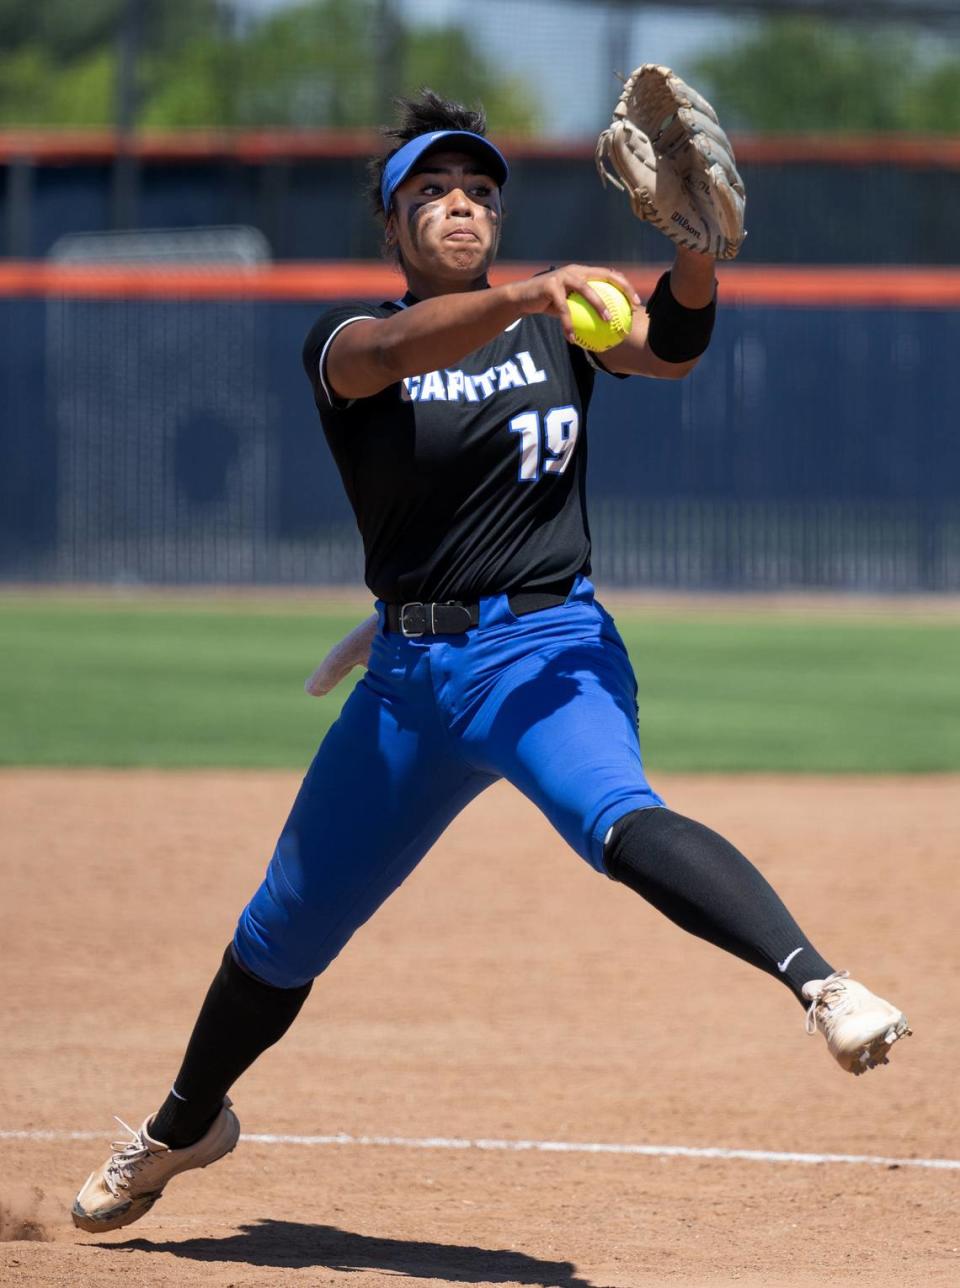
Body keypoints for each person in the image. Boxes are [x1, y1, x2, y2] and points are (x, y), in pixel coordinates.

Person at [72, 88, 909, 1236]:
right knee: (282, 931)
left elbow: (668, 350)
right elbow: (398, 349)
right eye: (434, 192)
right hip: (411, 686)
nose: (461, 206)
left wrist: (697, 261)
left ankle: (821, 981)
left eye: (478, 192)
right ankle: (182, 1125)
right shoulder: (345, 339)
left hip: (546, 647)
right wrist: (533, 295)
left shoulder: (563, 316)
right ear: (391, 226)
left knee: (612, 811)